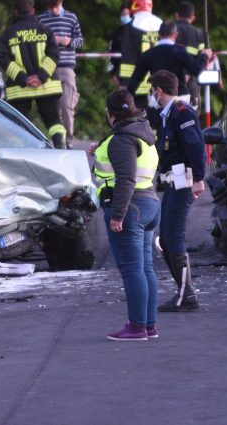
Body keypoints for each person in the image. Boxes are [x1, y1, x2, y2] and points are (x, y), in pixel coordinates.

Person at [91, 89, 160, 341]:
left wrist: (117, 215)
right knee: (145, 268)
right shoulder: (143, 131)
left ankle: (137, 327)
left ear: (110, 114)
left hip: (130, 208)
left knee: (132, 270)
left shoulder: (122, 139)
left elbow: (126, 179)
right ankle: (148, 325)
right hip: (148, 203)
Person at [148, 70, 207, 312]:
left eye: (152, 91)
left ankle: (187, 294)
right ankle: (184, 291)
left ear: (158, 91)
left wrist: (199, 178)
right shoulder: (167, 115)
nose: (151, 96)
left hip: (183, 182)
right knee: (166, 239)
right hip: (173, 182)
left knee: (173, 237)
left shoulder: (181, 111)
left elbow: (195, 144)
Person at [0, 0, 67, 148]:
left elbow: (4, 59)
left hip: (19, 90)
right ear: (33, 11)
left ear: (15, 12)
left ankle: (24, 153)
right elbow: (54, 55)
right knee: (54, 122)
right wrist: (41, 77)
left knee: (18, 125)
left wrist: (24, 79)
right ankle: (60, 146)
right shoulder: (45, 30)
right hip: (47, 87)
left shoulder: (8, 33)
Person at [37, 0, 84, 148]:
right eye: (51, 8)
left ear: (61, 2)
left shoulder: (71, 17)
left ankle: (69, 140)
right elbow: (37, 43)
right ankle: (58, 139)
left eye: (56, 7)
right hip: (48, 68)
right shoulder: (41, 19)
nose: (54, 11)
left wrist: (67, 41)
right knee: (52, 106)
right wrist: (50, 41)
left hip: (66, 66)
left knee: (67, 105)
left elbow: (80, 40)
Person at [128, 21, 211, 109]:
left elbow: (135, 79)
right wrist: (204, 56)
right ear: (176, 34)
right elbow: (197, 70)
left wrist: (127, 99)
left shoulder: (148, 54)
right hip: (179, 98)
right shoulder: (180, 51)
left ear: (159, 34)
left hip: (157, 99)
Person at [111, 0, 163, 109]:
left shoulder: (131, 26)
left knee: (138, 118)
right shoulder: (161, 24)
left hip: (139, 87)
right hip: (162, 86)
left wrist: (125, 86)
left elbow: (128, 60)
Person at [175, 1, 208, 108]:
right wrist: (188, 74)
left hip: (172, 82)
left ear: (176, 15)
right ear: (193, 17)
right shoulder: (199, 34)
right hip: (192, 82)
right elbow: (202, 58)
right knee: (192, 113)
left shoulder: (171, 31)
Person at [108, 0, 131, 84]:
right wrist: (112, 73)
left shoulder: (140, 32)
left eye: (127, 14)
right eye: (123, 14)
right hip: (121, 74)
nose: (125, 16)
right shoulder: (117, 33)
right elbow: (111, 54)